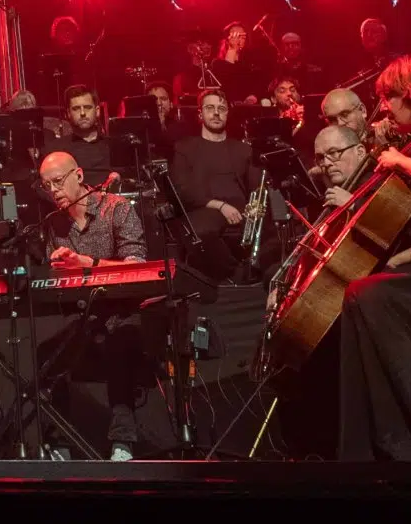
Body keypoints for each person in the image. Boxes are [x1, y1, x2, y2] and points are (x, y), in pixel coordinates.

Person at [338, 54, 411, 460]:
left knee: (371, 296)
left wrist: (401, 161)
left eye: (388, 96)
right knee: (363, 292)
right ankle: (377, 444)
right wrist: (398, 260)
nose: (384, 106)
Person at [35, 150, 147, 460]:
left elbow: (136, 264)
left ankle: (123, 442)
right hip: (83, 316)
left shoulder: (117, 209)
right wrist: (57, 271)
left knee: (120, 343)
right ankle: (59, 444)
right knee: (46, 354)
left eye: (58, 181)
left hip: (122, 313)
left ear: (79, 175)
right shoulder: (54, 225)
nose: (54, 190)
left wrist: (88, 264)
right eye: (47, 186)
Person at [171, 90, 256, 280]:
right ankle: (237, 273)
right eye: (210, 108)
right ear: (200, 114)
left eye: (222, 109)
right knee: (200, 231)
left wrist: (253, 210)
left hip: (242, 210)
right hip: (203, 208)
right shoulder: (185, 147)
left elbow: (257, 188)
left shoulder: (243, 149)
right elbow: (182, 190)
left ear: (227, 114)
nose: (216, 113)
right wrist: (220, 205)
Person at [43, 85, 113, 181]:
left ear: (97, 111)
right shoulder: (56, 150)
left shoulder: (112, 146)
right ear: (68, 114)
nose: (83, 113)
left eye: (87, 107)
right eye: (76, 109)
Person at [312, 125, 370, 212]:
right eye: (320, 158)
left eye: (333, 152)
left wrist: (353, 205)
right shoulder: (335, 196)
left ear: (360, 152)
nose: (326, 163)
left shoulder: (382, 183)